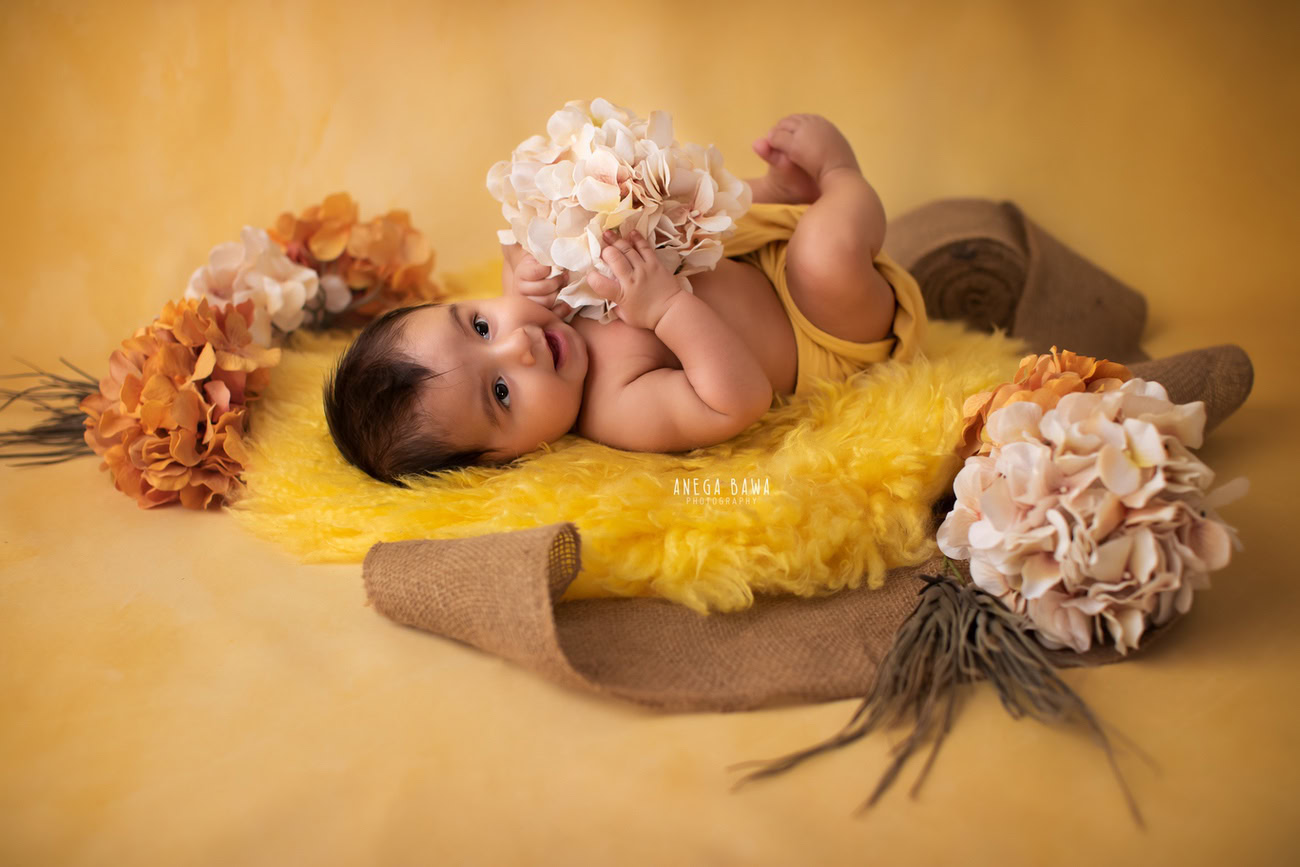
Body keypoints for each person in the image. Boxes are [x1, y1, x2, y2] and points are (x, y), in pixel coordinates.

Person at [324, 114, 927, 485]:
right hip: (821, 326)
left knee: (700, 215)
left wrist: (525, 267)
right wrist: (666, 311)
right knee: (826, 253)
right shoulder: (615, 408)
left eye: (480, 326)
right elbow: (735, 401)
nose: (520, 344)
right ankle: (842, 178)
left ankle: (780, 193)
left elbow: (520, 248)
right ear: (503, 460)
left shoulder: (534, 310)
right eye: (501, 392)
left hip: (751, 255)